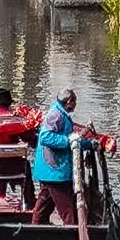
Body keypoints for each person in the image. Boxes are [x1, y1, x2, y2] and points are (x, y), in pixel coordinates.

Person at [30, 90, 79, 225]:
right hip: (54, 170)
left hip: (50, 170)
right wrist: (68, 140)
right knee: (67, 208)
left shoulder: (60, 114)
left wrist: (87, 143)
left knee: (44, 205)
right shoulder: (56, 115)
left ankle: (36, 230)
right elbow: (45, 137)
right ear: (69, 101)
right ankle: (73, 235)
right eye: (74, 101)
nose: (75, 105)